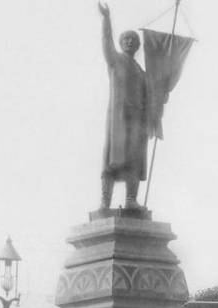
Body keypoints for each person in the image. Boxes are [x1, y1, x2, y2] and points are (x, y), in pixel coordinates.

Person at [98, 1, 149, 210]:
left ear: (137, 46)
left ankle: (130, 200)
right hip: (118, 120)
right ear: (121, 43)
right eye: (126, 39)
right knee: (111, 159)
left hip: (136, 122)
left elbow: (150, 98)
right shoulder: (115, 60)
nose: (129, 42)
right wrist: (107, 20)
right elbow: (106, 42)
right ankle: (104, 201)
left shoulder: (141, 72)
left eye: (133, 40)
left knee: (134, 160)